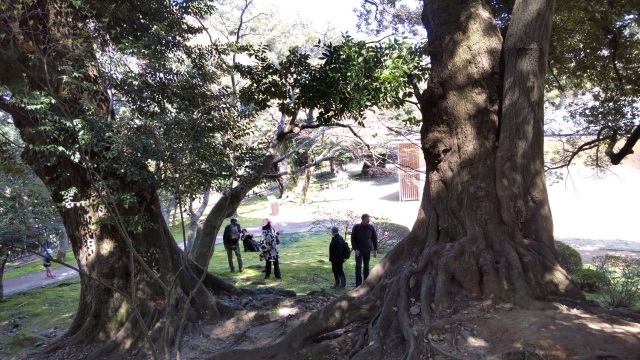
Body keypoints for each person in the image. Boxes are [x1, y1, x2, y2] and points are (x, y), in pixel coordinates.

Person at [351, 213, 378, 287]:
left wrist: (375, 250)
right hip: (358, 251)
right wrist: (355, 249)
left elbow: (374, 239)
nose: (369, 220)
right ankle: (358, 284)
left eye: (369, 219)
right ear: (362, 219)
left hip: (367, 251)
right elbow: (352, 239)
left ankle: (365, 283)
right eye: (367, 219)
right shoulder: (356, 227)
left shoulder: (371, 228)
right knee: (358, 266)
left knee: (366, 266)